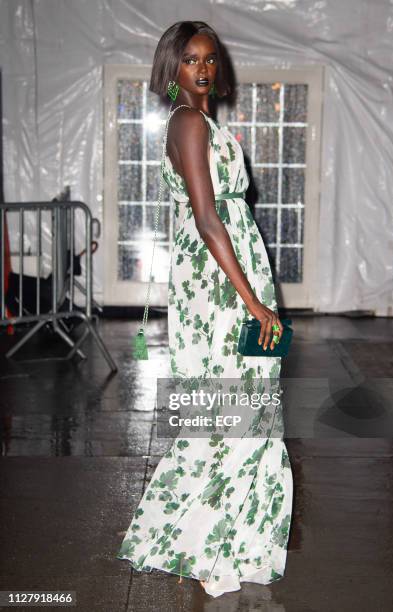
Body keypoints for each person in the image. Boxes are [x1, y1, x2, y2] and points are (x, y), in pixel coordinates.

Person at [117, 20, 293, 598]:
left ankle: (222, 537)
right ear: (172, 68)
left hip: (227, 274)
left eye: (211, 58)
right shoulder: (188, 121)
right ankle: (199, 542)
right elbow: (208, 218)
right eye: (191, 59)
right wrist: (255, 303)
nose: (204, 68)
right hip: (221, 287)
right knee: (226, 412)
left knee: (236, 409)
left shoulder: (201, 121)